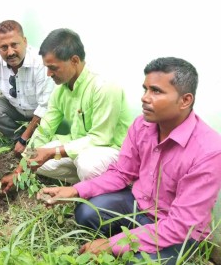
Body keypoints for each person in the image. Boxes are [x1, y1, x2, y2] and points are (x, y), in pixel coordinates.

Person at [38, 57, 221, 264]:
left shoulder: (209, 150)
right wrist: (76, 190)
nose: (145, 98)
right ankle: (135, 235)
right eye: (145, 89)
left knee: (139, 261)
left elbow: (180, 226)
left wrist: (112, 244)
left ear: (185, 100)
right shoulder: (142, 125)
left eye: (156, 91)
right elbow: (122, 173)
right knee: (85, 212)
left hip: (176, 228)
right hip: (138, 206)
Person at [1, 28, 130, 192]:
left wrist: (51, 152)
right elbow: (44, 129)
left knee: (87, 164)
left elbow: (100, 138)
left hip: (110, 150)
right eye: (46, 67)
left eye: (53, 68)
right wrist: (19, 171)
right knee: (35, 158)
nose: (48, 74)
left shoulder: (104, 86)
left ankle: (108, 181)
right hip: (78, 148)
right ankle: (93, 179)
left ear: (74, 60)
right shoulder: (60, 90)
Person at [0, 20, 55, 156]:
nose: (10, 52)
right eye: (3, 47)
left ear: (25, 41)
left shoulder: (40, 63)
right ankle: (18, 136)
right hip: (17, 108)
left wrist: (24, 139)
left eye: (14, 45)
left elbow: (45, 107)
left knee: (50, 120)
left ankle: (27, 139)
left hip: (40, 112)